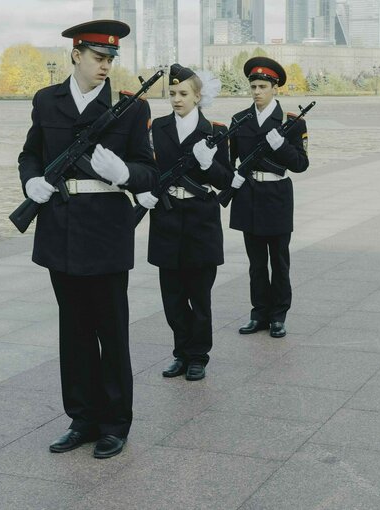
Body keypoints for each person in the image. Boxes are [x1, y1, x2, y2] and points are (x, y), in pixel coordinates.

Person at [18, 20, 156, 459]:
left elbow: (148, 171)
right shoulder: (47, 101)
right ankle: (82, 417)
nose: (105, 66)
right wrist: (30, 183)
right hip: (60, 230)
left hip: (106, 231)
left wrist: (126, 175)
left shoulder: (129, 110)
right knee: (73, 331)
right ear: (76, 55)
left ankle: (115, 422)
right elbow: (30, 154)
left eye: (111, 59)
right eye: (98, 57)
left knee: (110, 331)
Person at [135, 64, 231, 382]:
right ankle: (180, 352)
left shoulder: (216, 131)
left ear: (198, 96)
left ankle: (198, 356)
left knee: (199, 296)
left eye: (184, 93)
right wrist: (143, 194)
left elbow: (227, 181)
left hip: (201, 219)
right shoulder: (157, 127)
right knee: (172, 296)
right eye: (172, 93)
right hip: (166, 217)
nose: (177, 99)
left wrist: (209, 163)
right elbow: (148, 170)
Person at [227, 57, 309, 339]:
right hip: (249, 195)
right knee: (256, 263)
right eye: (254, 86)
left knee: (280, 261)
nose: (257, 91)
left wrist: (282, 146)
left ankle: (278, 316)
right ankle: (259, 313)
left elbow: (300, 164)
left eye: (263, 86)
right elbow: (230, 161)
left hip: (276, 196)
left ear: (276, 88)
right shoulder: (240, 120)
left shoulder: (292, 123)